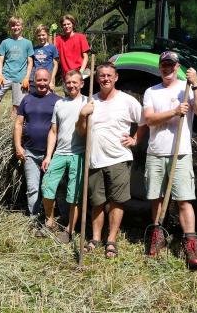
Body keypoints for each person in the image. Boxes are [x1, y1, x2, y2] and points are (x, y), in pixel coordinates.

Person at [143, 51, 197, 269]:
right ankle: (157, 234)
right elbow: (150, 119)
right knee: (157, 198)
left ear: (177, 66)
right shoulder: (151, 91)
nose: (167, 68)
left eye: (171, 65)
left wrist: (196, 84)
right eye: (164, 65)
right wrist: (174, 111)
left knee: (184, 199)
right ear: (160, 67)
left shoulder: (186, 88)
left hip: (180, 153)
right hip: (156, 152)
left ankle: (190, 244)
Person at [77, 62, 143, 258]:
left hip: (118, 158)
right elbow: (81, 132)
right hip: (95, 159)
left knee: (116, 201)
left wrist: (135, 139)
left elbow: (144, 121)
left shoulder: (127, 101)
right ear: (97, 79)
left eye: (109, 76)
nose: (105, 79)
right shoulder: (91, 102)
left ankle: (111, 240)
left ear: (116, 78)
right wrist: (82, 116)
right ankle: (95, 238)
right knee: (97, 201)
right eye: (102, 76)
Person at [40, 70, 88, 243]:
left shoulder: (88, 102)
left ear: (82, 83)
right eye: (68, 82)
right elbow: (53, 131)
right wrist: (48, 156)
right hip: (60, 152)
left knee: (73, 194)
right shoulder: (60, 104)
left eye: (75, 82)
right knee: (47, 186)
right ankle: (50, 221)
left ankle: (69, 229)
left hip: (79, 154)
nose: (71, 85)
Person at [14, 68, 61, 223]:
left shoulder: (58, 101)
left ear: (49, 81)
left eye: (44, 80)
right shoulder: (27, 99)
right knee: (32, 187)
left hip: (52, 154)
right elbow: (18, 124)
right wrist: (18, 146)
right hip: (30, 152)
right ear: (34, 81)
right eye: (38, 80)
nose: (41, 83)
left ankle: (52, 217)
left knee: (50, 188)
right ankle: (34, 218)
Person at [0, 16, 34, 120]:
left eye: (17, 25)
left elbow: (30, 61)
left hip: (20, 78)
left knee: (16, 106)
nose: (15, 27)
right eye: (13, 25)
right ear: (10, 27)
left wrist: (27, 77)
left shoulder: (28, 43)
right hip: (5, 77)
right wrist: (0, 75)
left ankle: (11, 128)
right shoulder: (5, 42)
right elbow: (0, 60)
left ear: (22, 27)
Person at [54, 14, 90, 88]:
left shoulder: (81, 37)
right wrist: (52, 33)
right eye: (64, 25)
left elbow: (85, 57)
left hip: (82, 72)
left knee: (84, 97)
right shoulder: (59, 39)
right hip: (67, 75)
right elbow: (50, 48)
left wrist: (81, 71)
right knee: (69, 98)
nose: (66, 26)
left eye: (68, 24)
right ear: (62, 26)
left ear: (73, 24)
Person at [30, 24, 59, 93]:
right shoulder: (34, 49)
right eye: (39, 35)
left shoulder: (52, 48)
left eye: (43, 35)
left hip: (48, 78)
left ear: (47, 35)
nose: (41, 37)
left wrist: (52, 80)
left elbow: (55, 65)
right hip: (36, 79)